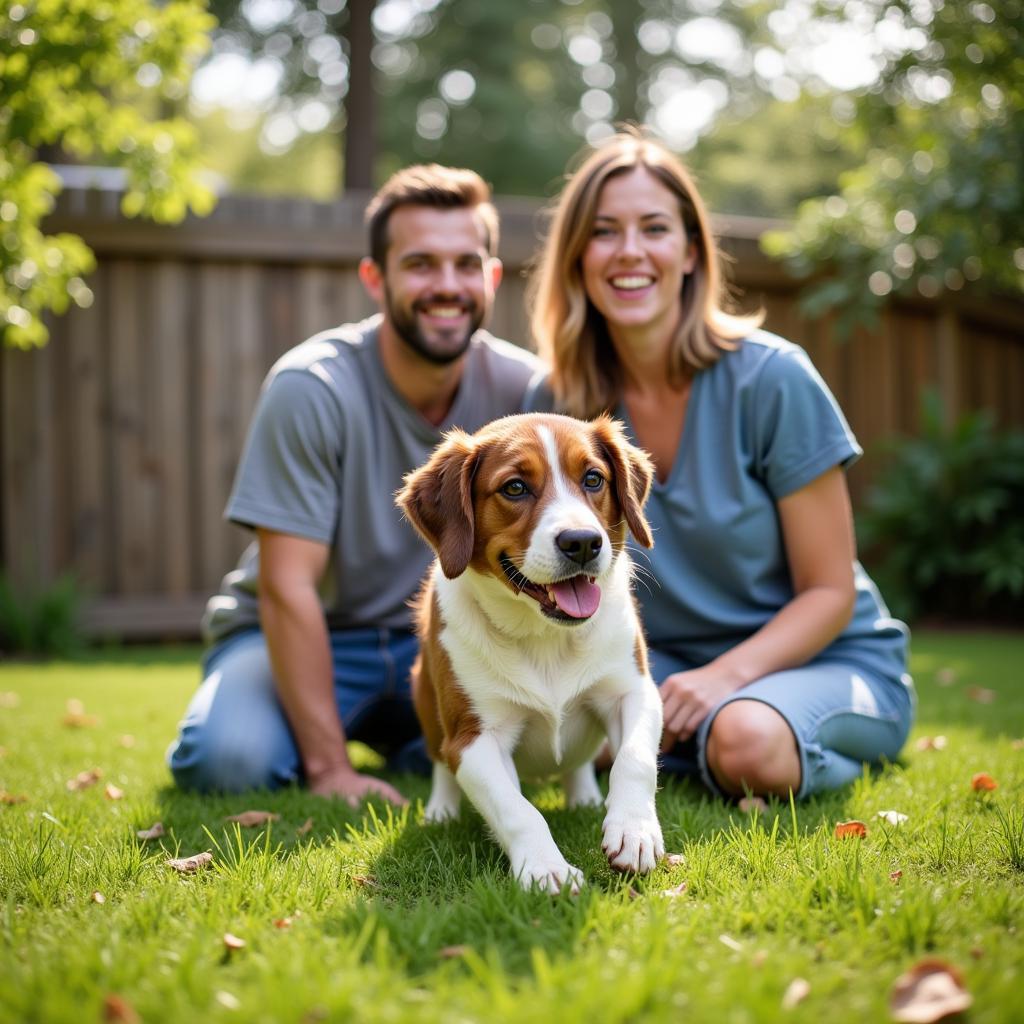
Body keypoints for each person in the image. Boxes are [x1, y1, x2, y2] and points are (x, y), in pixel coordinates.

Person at [526, 131, 914, 800]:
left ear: (690, 252)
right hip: (665, 670)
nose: (630, 251)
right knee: (565, 742)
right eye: (605, 231)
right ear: (577, 259)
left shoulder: (773, 379)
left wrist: (723, 679)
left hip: (822, 659)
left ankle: (791, 742)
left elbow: (829, 591)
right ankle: (686, 743)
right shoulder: (555, 406)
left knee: (745, 742)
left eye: (654, 228)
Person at [167, 165, 540, 804]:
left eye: (465, 264)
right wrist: (329, 769)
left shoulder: (525, 392)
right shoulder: (312, 387)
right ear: (376, 277)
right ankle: (338, 743)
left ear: (492, 276)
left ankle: (412, 743)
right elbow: (288, 588)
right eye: (421, 264)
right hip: (315, 636)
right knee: (225, 761)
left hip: (448, 638)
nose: (446, 286)